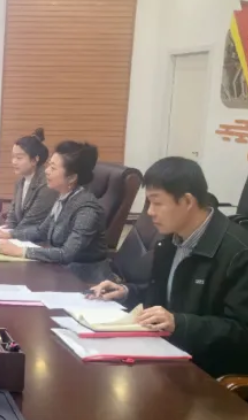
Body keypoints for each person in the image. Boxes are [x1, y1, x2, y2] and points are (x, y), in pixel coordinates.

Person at [89, 157, 248, 377]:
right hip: (164, 353)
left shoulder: (239, 252)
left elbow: (241, 332)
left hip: (206, 372)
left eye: (157, 203)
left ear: (187, 201)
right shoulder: (170, 241)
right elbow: (167, 297)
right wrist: (126, 292)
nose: (150, 212)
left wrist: (179, 323)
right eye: (149, 203)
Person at [0, 140, 109, 282]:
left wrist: (22, 251)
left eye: (53, 168)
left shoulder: (86, 209)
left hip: (85, 280)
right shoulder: (64, 197)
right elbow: (41, 231)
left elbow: (66, 254)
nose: (46, 171)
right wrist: (8, 234)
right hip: (60, 272)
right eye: (49, 165)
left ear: (72, 177)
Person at [0, 128, 57, 240]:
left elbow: (32, 222)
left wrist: (7, 234)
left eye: (19, 158)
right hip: (20, 236)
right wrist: (2, 230)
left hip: (38, 241)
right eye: (13, 157)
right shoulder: (20, 181)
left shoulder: (46, 184)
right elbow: (12, 216)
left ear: (34, 160)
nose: (14, 162)